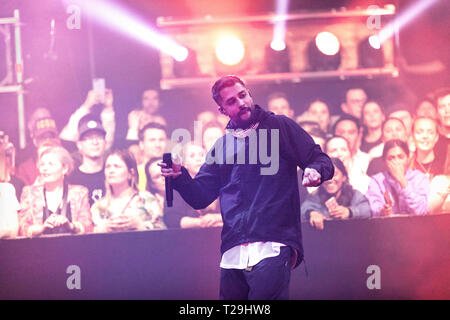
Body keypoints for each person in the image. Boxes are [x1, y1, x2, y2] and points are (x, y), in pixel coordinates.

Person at [159, 75, 334, 300]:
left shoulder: (279, 126)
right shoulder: (222, 146)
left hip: (272, 242)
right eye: (231, 101)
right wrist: (180, 176)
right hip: (233, 249)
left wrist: (315, 171)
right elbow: (200, 196)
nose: (241, 102)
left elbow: (319, 159)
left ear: (249, 94)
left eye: (242, 95)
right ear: (222, 110)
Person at [18, 146, 93, 237]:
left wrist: (71, 226)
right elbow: (22, 227)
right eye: (42, 164)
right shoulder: (29, 193)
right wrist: (40, 228)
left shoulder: (79, 193)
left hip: (73, 248)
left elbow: (88, 226)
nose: (45, 168)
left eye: (50, 164)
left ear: (64, 168)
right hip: (39, 249)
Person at [91, 149, 164, 233]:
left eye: (117, 166)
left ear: (131, 173)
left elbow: (162, 230)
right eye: (108, 167)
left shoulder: (146, 199)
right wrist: (103, 229)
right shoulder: (98, 206)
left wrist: (140, 225)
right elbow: (89, 238)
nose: (111, 171)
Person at [162, 143, 222, 229]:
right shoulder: (177, 187)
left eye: (202, 155)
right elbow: (171, 218)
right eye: (192, 156)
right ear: (184, 163)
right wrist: (201, 222)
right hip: (188, 238)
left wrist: (216, 218)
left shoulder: (222, 182)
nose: (198, 159)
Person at [301, 158, 370, 230]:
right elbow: (303, 208)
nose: (329, 180)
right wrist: (311, 213)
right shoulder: (315, 196)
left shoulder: (355, 195)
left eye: (334, 174)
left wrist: (350, 212)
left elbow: (367, 210)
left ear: (344, 177)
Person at [365, 139, 430, 217]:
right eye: (391, 158)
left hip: (414, 226)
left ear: (408, 158)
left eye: (400, 157)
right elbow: (373, 209)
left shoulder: (419, 178)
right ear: (384, 161)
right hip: (387, 226)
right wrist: (382, 212)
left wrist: (402, 181)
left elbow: (421, 211)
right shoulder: (377, 181)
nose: (396, 162)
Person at [67, 115, 108, 206]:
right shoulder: (71, 179)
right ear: (79, 145)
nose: (95, 142)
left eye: (99, 137)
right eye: (89, 138)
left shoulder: (113, 173)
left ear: (105, 143)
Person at [134, 122, 168, 191]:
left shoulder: (173, 172)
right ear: (141, 144)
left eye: (161, 140)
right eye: (152, 140)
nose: (157, 145)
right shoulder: (134, 174)